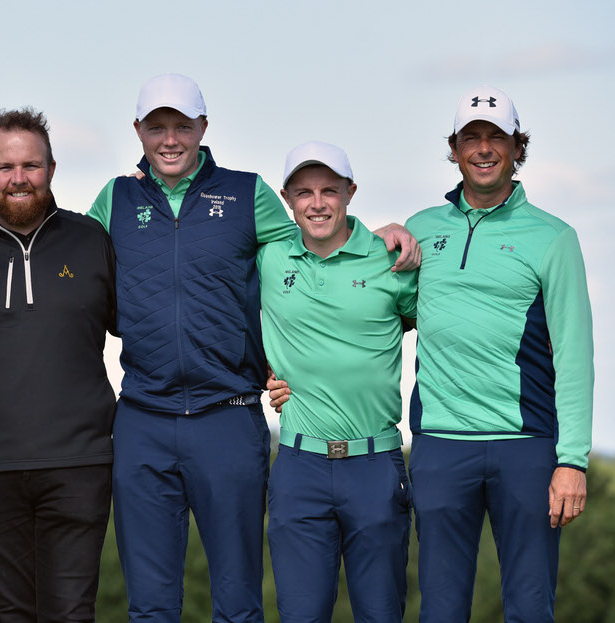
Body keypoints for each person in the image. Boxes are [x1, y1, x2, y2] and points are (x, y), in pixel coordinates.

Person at [85, 73, 419, 623]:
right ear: (138, 131)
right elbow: (63, 252)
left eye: (183, 127)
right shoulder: (116, 197)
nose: (170, 139)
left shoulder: (246, 193)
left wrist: (376, 233)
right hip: (142, 416)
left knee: (239, 605)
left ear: (204, 128)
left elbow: (314, 239)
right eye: (157, 127)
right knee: (148, 607)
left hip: (228, 416)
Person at [0, 107, 118, 622]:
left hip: (79, 463)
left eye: (31, 165)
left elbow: (142, 329)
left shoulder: (93, 240)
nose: (18, 178)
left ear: (51, 169)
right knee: (10, 615)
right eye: (5, 168)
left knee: (72, 614)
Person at [408, 87, 593, 621]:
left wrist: (572, 460)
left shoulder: (554, 238)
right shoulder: (420, 229)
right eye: (472, 138)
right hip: (441, 447)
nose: (484, 148)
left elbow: (576, 354)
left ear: (517, 147)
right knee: (440, 609)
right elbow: (370, 316)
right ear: (455, 147)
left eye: (497, 137)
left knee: (531, 608)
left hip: (527, 448)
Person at [259, 141, 416, 622]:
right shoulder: (268, 258)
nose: (318, 202)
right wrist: (262, 373)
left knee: (381, 613)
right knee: (301, 614)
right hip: (299, 467)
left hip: (375, 464)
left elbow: (442, 331)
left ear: (350, 192)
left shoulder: (393, 260)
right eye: (304, 192)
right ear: (287, 199)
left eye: (330, 190)